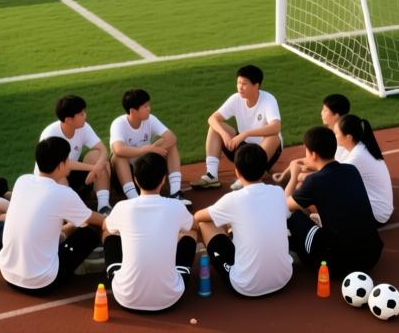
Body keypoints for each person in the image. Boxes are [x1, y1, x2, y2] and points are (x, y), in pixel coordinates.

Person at [0, 137, 106, 294]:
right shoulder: (63, 193)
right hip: (41, 283)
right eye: (67, 159)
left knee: (62, 223)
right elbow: (97, 220)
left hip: (7, 273)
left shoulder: (22, 181)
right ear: (61, 165)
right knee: (91, 231)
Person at [194, 144, 293, 298]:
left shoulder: (233, 199)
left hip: (246, 286)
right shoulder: (278, 192)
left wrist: (226, 222)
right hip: (284, 278)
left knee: (205, 224)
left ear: (237, 172)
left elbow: (199, 217)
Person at [103, 152, 197, 313]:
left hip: (126, 297)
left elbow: (106, 226)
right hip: (170, 298)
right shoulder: (176, 207)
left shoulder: (122, 207)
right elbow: (193, 226)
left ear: (135, 180)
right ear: (163, 179)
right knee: (191, 234)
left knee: (108, 233)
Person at [286, 126, 383, 275]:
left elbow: (284, 205)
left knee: (293, 217)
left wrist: (293, 175)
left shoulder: (314, 181)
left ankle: (296, 251)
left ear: (313, 154)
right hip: (372, 257)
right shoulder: (351, 170)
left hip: (336, 265)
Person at [191, 64, 282, 191]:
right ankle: (211, 175)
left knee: (274, 138)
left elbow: (276, 127)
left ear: (256, 85)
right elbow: (212, 118)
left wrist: (245, 134)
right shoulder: (236, 98)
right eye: (238, 83)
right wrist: (224, 134)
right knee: (216, 127)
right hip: (242, 150)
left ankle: (247, 177)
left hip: (264, 152)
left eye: (244, 83)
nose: (240, 87)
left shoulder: (268, 99)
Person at [109, 89, 191, 205]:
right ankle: (134, 200)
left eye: (148, 105)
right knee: (118, 156)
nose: (149, 109)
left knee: (170, 145)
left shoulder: (150, 119)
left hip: (145, 168)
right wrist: (147, 149)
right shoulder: (119, 123)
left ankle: (176, 192)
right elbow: (118, 149)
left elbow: (171, 137)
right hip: (126, 174)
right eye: (145, 106)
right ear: (133, 111)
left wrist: (153, 147)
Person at [38, 95, 113, 215]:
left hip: (70, 173)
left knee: (98, 157)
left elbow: (102, 149)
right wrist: (93, 168)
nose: (85, 116)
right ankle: (71, 215)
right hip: (53, 178)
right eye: (81, 114)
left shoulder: (83, 127)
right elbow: (63, 164)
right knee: (62, 179)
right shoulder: (51, 134)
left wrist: (97, 167)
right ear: (68, 120)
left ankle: (104, 206)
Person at [272, 93, 350, 190]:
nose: (321, 113)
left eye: (325, 110)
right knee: (296, 164)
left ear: (336, 115)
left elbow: (332, 166)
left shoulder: (338, 138)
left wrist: (303, 172)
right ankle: (282, 181)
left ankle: (286, 189)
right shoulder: (334, 133)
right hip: (332, 169)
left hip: (334, 174)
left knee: (300, 182)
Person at [334, 115, 393, 225]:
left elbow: (332, 177)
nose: (334, 136)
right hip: (379, 208)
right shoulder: (360, 146)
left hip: (377, 215)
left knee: (331, 192)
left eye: (336, 133)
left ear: (348, 137)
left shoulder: (357, 157)